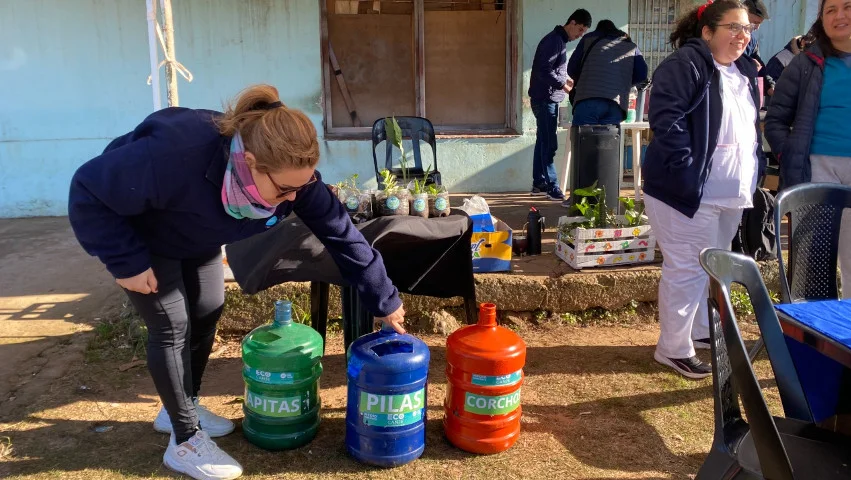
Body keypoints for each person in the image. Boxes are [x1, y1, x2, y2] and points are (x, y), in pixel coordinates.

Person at [68, 85, 408, 480]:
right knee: (172, 326)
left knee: (208, 308)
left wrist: (384, 299)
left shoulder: (294, 182)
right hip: (145, 237)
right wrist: (125, 262)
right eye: (284, 190)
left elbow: (342, 235)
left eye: (303, 185)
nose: (293, 198)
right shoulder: (175, 155)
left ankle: (181, 407)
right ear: (249, 162)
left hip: (196, 234)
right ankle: (185, 440)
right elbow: (88, 190)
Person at [642, 0, 765, 378]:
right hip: (688, 193)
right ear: (708, 32)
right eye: (733, 27)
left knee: (709, 267)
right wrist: (684, 169)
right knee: (686, 268)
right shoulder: (687, 64)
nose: (742, 35)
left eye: (747, 28)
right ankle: (673, 348)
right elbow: (667, 119)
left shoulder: (743, 71)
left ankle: (697, 331)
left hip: (729, 194)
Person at [765, 0, 851, 298]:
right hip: (816, 169)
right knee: (812, 262)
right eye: (830, 10)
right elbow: (776, 118)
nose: (839, 15)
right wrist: (788, 154)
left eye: (848, 6)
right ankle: (813, 339)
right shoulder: (807, 63)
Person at [528, 8, 592, 200]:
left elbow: (552, 69)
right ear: (572, 23)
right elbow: (543, 69)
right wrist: (562, 85)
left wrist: (565, 79)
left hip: (546, 98)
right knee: (550, 144)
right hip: (544, 99)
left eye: (583, 32)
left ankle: (538, 182)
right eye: (580, 30)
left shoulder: (559, 41)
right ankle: (552, 186)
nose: (580, 35)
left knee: (542, 141)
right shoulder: (554, 41)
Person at [567, 19, 648, 126]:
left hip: (587, 100)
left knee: (583, 140)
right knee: (608, 142)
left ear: (598, 30)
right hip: (616, 104)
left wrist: (585, 80)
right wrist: (622, 84)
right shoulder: (630, 45)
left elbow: (572, 68)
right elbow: (642, 74)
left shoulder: (588, 39)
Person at [742, 0, 776, 96]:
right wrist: (747, 62)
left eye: (760, 24)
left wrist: (770, 86)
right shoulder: (728, 35)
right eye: (755, 22)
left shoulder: (752, 40)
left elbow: (760, 66)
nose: (757, 27)